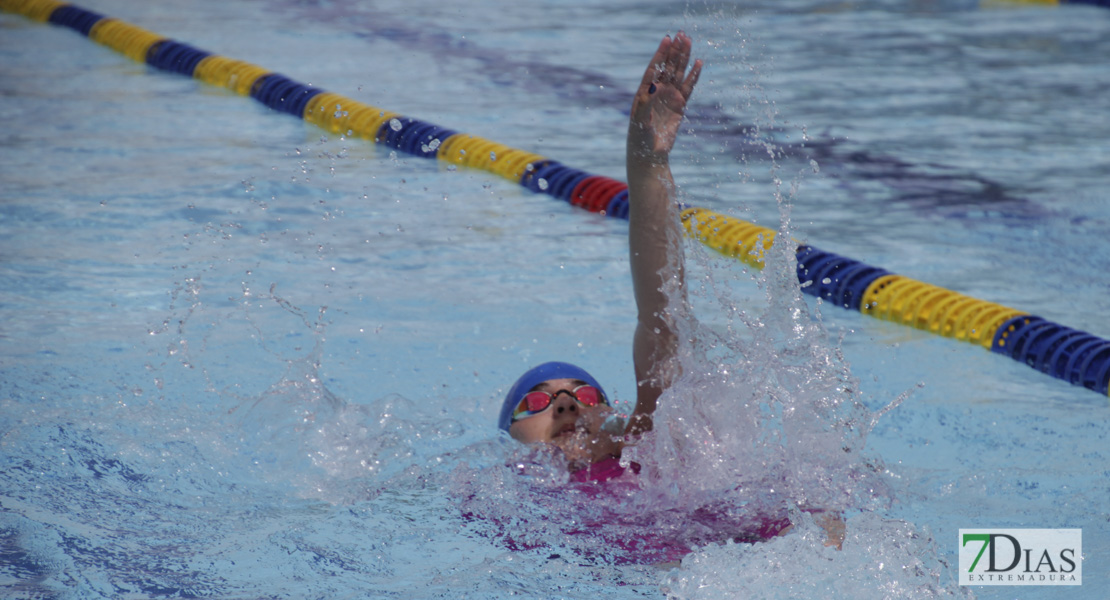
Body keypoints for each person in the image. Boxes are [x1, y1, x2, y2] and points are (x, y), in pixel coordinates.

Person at [495, 32, 844, 549]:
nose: (567, 406)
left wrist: (648, 163)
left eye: (584, 395)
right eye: (537, 403)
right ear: (508, 439)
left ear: (617, 415)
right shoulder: (500, 496)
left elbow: (662, 313)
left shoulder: (644, 454)